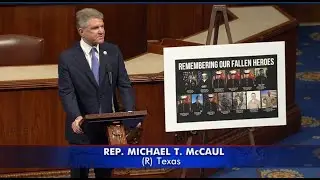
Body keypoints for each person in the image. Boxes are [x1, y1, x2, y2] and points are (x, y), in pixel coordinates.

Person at [58, 8, 135, 178]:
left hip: (107, 128)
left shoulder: (113, 51)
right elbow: (66, 92)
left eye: (102, 26)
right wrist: (76, 116)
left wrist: (130, 112)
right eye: (95, 28)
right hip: (81, 128)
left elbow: (124, 84)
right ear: (81, 31)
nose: (101, 31)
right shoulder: (68, 58)